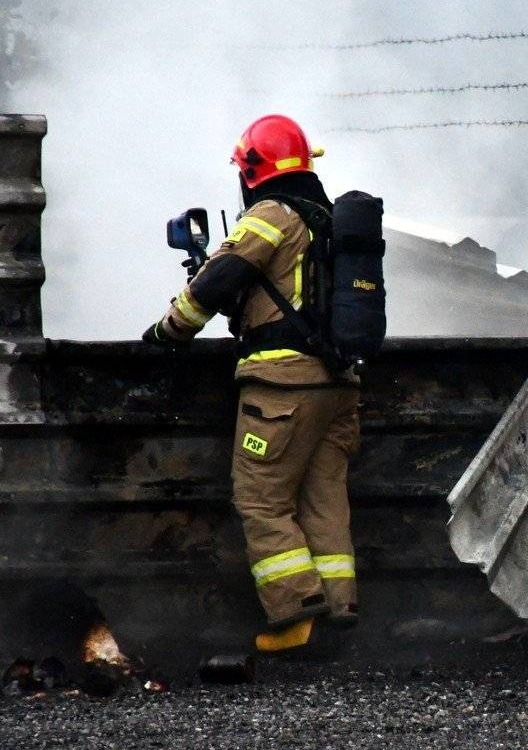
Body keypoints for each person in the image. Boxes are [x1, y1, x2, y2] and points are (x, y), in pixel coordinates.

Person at [143, 114, 361, 652]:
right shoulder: (331, 221)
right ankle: (340, 606)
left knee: (261, 499)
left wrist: (170, 329)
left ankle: (292, 616)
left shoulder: (272, 214)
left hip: (283, 388)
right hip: (341, 387)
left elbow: (221, 276)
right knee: (323, 498)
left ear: (252, 169)